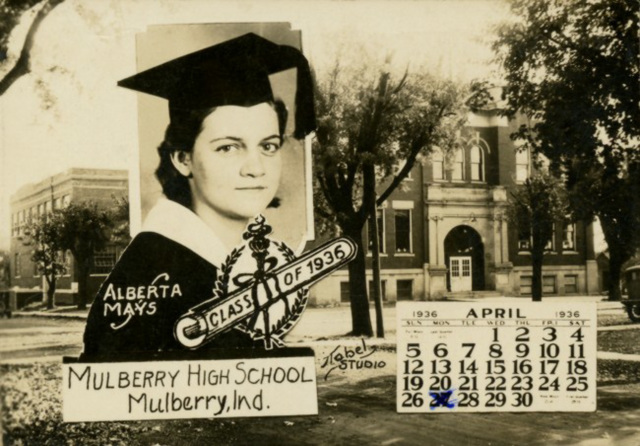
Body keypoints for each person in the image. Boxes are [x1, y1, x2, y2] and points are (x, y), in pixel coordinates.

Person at [81, 33, 315, 360]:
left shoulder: (247, 260)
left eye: (268, 146)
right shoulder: (151, 267)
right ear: (183, 159)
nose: (256, 168)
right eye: (228, 147)